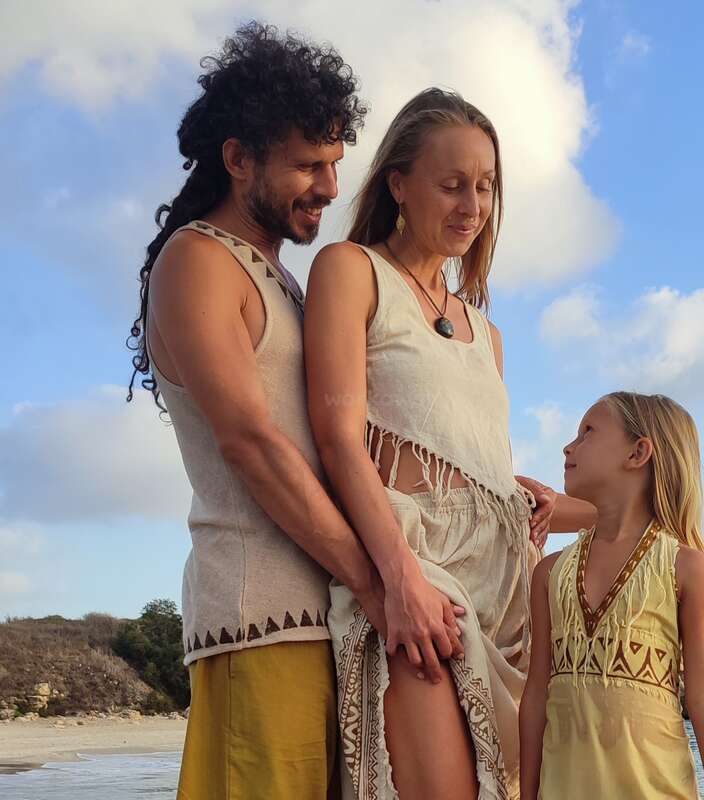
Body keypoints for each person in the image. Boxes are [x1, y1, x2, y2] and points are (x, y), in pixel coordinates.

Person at [125, 23, 466, 800]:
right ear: (238, 158)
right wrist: (385, 586)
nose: (329, 186)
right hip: (261, 625)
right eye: (309, 164)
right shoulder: (198, 260)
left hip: (329, 624)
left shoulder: (282, 281)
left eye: (337, 163)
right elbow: (253, 444)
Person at [304, 87, 597, 800]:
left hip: (511, 595)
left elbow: (460, 451)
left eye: (487, 187)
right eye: (453, 184)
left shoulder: (485, 332)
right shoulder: (351, 271)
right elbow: (340, 438)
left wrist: (524, 493)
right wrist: (397, 579)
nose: (473, 205)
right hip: (420, 571)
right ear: (399, 184)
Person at [519, 391, 704, 800]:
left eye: (587, 432)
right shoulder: (549, 573)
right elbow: (536, 695)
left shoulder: (684, 568)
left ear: (638, 453)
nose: (569, 445)